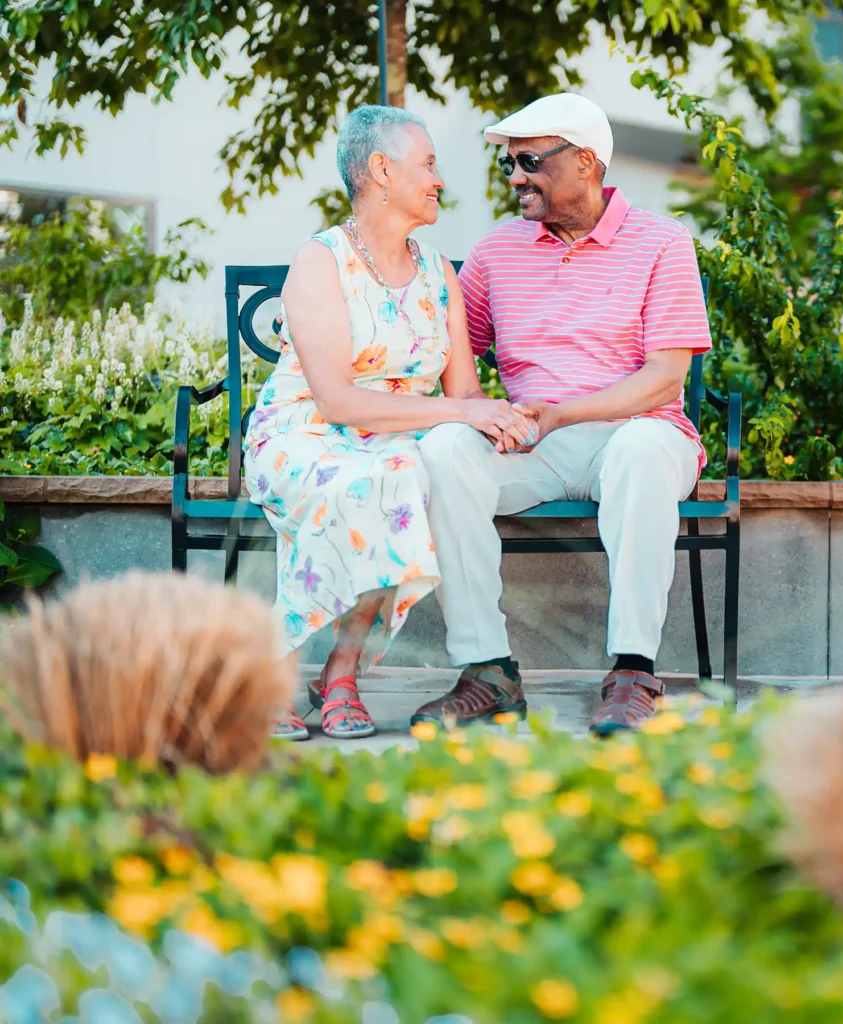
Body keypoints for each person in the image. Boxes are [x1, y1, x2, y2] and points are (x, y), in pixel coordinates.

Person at [414, 93, 713, 735]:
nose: (516, 177)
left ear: (585, 162)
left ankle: (633, 673)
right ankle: (487, 670)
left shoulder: (663, 242)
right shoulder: (497, 252)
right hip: (534, 442)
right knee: (442, 452)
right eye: (509, 165)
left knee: (639, 453)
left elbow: (665, 380)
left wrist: (561, 414)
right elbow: (448, 351)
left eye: (528, 162)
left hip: (639, 434)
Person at [244, 105, 534, 741]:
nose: (438, 180)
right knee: (356, 483)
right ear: (381, 169)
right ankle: (273, 673)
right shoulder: (321, 260)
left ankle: (342, 675)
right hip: (303, 431)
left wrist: (508, 421)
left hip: (396, 442)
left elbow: (465, 394)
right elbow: (339, 403)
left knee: (402, 475)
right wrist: (463, 412)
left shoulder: (439, 276)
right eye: (427, 164)